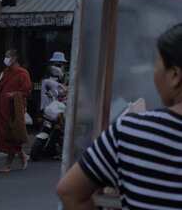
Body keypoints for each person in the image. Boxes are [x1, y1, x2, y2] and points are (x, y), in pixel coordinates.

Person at [57, 23, 182, 210]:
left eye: (157, 62)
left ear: (174, 75)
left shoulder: (131, 132)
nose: (153, 72)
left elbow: (69, 192)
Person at [0, 49, 32, 172]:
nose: (6, 59)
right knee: (5, 135)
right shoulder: (6, 72)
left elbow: (27, 90)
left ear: (14, 58)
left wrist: (14, 94)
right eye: (5, 56)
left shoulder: (22, 73)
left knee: (12, 135)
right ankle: (22, 155)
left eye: (7, 56)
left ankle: (8, 165)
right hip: (3, 108)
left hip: (15, 109)